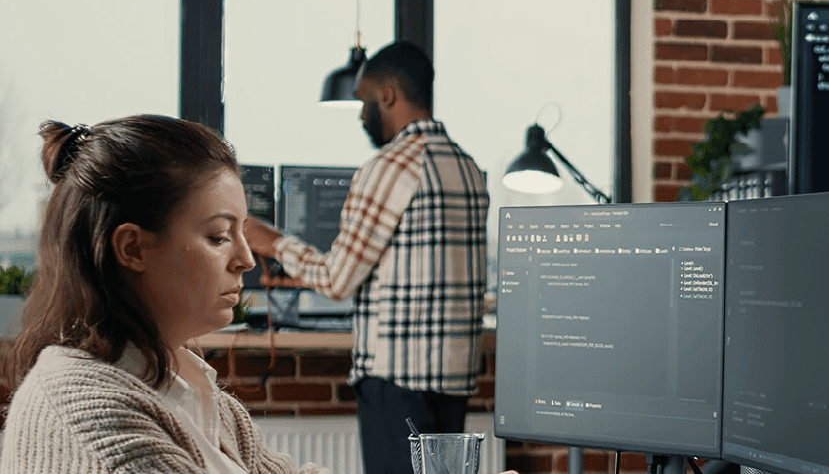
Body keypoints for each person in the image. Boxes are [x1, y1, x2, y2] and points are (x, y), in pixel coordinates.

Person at [0, 115, 320, 473]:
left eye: (243, 233)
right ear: (133, 248)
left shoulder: (192, 390)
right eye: (218, 236)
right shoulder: (92, 414)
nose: (246, 260)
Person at [244, 41, 490, 474]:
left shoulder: (390, 167)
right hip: (453, 380)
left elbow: (338, 280)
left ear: (388, 96)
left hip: (397, 380)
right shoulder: (467, 167)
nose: (360, 115)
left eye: (362, 101)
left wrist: (271, 242)